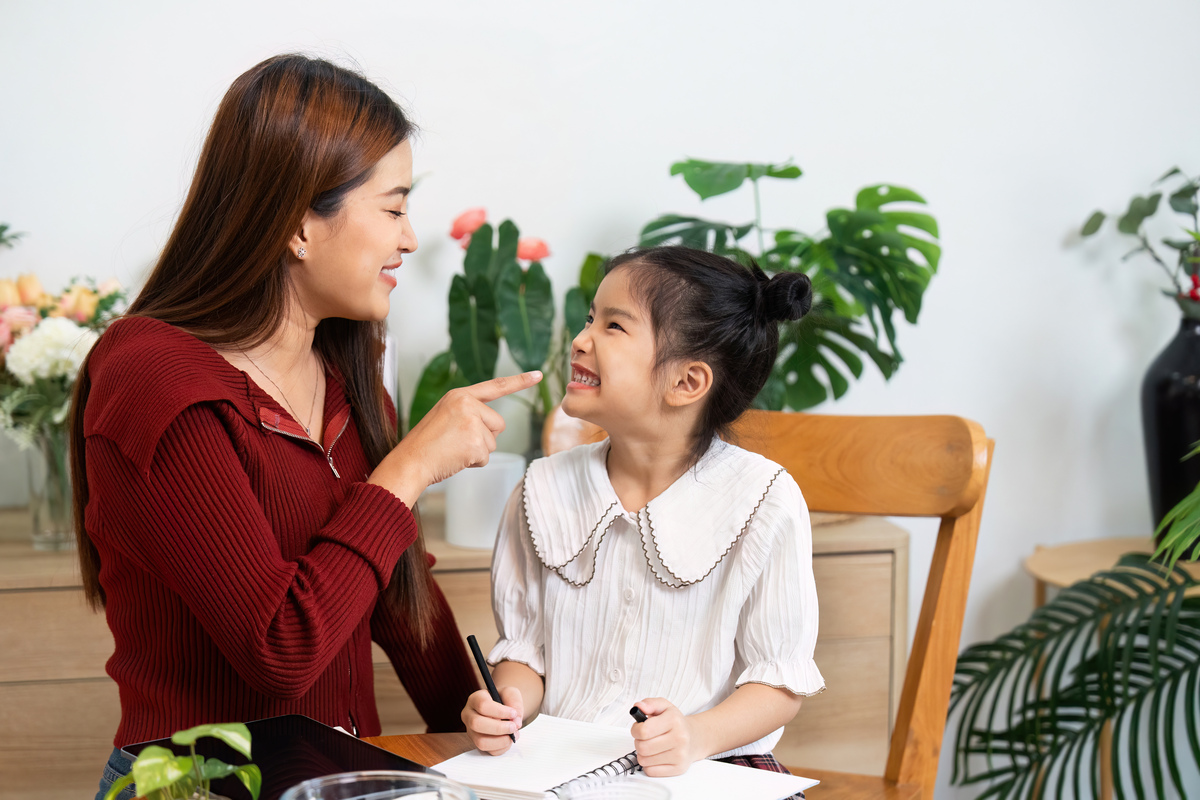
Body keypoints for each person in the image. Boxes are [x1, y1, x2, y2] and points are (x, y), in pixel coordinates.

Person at [72, 54, 542, 800]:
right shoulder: (154, 377)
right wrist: (408, 469)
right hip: (196, 785)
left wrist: (482, 728)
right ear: (298, 224)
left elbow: (398, 599)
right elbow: (280, 651)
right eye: (393, 209)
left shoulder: (346, 376)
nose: (410, 239)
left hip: (335, 777)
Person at [462, 245, 825, 790]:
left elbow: (778, 683)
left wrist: (695, 736)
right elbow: (526, 654)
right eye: (590, 318)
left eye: (613, 326)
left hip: (710, 769)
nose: (581, 339)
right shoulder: (541, 490)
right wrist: (507, 702)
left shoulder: (764, 500)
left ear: (687, 383)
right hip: (563, 767)